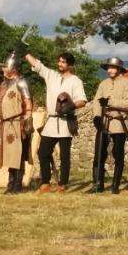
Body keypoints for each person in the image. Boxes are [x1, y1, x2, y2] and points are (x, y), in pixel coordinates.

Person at [26, 51, 86, 193]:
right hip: (52, 121)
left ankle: (62, 184)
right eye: (59, 61)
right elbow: (37, 65)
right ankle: (45, 183)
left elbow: (82, 100)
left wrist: (71, 105)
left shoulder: (76, 81)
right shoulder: (51, 75)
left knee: (65, 156)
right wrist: (26, 53)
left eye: (63, 62)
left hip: (66, 121)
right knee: (43, 152)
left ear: (70, 65)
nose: (60, 64)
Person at [90, 57, 128, 194]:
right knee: (99, 153)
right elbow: (96, 101)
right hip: (104, 122)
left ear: (119, 69)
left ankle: (115, 185)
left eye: (113, 67)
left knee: (118, 154)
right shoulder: (103, 84)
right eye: (109, 67)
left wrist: (111, 102)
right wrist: (97, 116)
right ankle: (98, 183)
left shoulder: (127, 83)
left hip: (118, 122)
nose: (110, 70)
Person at [0, 53, 33, 194]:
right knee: (9, 156)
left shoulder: (21, 82)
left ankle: (17, 184)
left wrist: (27, 120)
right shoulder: (4, 84)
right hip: (6, 124)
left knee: (17, 155)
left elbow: (28, 103)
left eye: (5, 66)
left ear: (12, 67)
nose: (3, 69)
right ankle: (11, 184)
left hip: (17, 122)